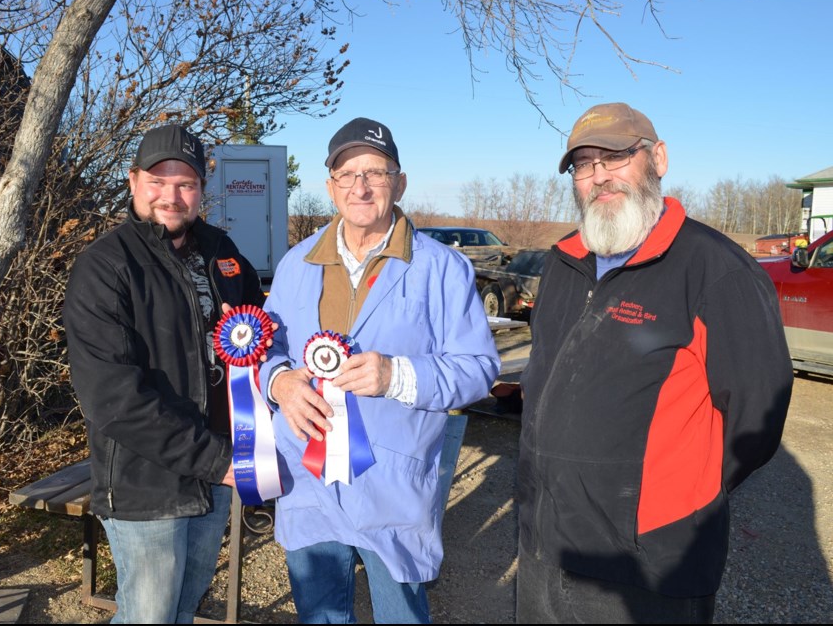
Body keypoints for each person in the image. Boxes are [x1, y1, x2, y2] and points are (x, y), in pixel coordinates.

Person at [517, 102, 794, 623]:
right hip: (545, 546)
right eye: (583, 165)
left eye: (616, 156)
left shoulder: (715, 270)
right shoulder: (563, 262)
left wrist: (672, 503)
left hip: (646, 567)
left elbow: (757, 418)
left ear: (657, 158)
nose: (600, 177)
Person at [258, 117, 500, 623]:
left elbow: (479, 369)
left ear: (399, 182)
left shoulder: (442, 268)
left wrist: (397, 376)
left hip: (393, 483)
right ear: (330, 187)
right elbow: (267, 349)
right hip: (309, 479)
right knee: (319, 616)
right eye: (346, 174)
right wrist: (279, 381)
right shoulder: (294, 265)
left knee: (402, 618)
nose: (360, 186)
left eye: (375, 172)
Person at [63, 124, 266, 624]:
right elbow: (112, 397)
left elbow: (257, 336)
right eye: (158, 180)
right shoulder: (105, 267)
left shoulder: (222, 253)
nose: (171, 195)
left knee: (185, 602)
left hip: (217, 469)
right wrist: (216, 459)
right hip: (145, 481)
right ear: (133, 182)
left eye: (186, 183)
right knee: (148, 615)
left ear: (201, 191)